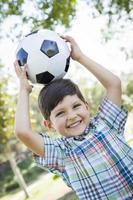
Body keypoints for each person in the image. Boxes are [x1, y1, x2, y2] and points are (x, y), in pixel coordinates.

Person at [14, 36, 133, 200]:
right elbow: (22, 131)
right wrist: (24, 89)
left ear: (86, 106)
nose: (71, 116)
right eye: (60, 113)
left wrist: (80, 58)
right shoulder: (60, 153)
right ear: (50, 125)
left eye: (76, 106)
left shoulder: (106, 123)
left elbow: (114, 84)